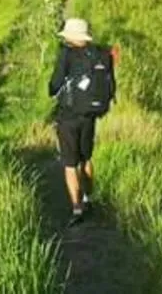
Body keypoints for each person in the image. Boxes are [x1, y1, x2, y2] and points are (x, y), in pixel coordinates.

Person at [48, 18, 116, 226]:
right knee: (86, 158)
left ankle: (77, 210)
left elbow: (55, 84)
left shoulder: (66, 54)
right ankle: (88, 198)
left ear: (70, 37)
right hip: (90, 116)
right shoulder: (100, 54)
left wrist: (52, 91)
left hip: (68, 116)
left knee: (70, 164)